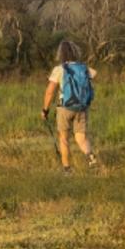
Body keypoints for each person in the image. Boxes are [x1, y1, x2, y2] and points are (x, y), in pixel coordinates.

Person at [42, 40, 100, 171]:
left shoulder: (59, 69)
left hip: (64, 107)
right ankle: (90, 157)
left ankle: (67, 169)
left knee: (63, 138)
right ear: (75, 52)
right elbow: (94, 74)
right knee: (81, 137)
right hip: (82, 107)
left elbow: (50, 91)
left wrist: (45, 110)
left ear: (61, 54)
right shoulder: (84, 68)